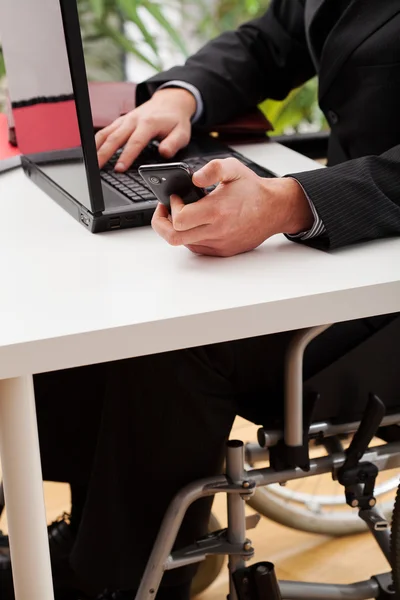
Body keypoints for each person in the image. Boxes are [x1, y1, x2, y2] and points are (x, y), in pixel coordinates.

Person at [2, 1, 400, 599]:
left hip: (383, 279)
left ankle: (123, 579)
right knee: (104, 296)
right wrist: (178, 97)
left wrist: (292, 202)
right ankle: (105, 539)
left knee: (175, 338)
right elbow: (271, 38)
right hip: (355, 247)